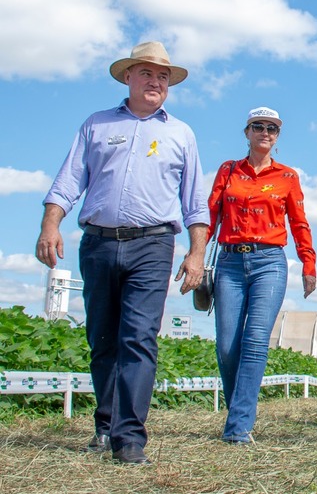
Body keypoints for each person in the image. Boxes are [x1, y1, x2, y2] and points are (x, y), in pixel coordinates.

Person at [36, 42, 209, 465]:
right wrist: (50, 224)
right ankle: (106, 423)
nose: (156, 82)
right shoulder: (96, 125)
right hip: (97, 242)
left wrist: (196, 253)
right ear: (128, 77)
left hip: (153, 244)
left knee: (139, 337)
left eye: (163, 76)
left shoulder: (180, 134)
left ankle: (129, 439)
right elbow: (68, 180)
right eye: (147, 73)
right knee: (102, 339)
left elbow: (195, 203)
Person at [209, 106, 317, 444]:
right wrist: (195, 255)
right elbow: (210, 215)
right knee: (227, 347)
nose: (265, 133)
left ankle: (239, 427)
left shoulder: (287, 177)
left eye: (273, 128)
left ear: (278, 136)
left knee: (255, 342)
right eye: (258, 126)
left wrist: (308, 264)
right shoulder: (228, 171)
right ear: (247, 132)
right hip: (229, 262)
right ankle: (237, 412)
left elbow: (299, 222)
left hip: (269, 262)